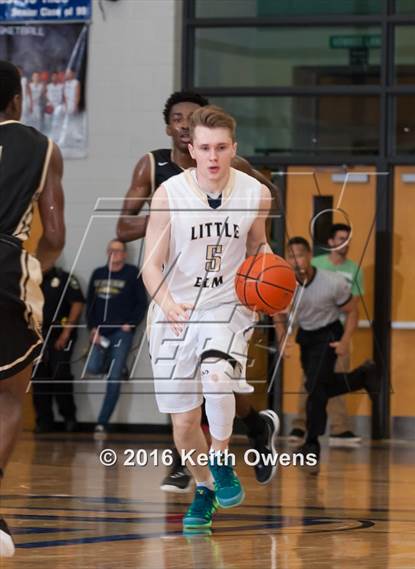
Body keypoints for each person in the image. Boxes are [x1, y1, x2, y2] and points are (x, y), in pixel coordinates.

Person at [117, 91, 280, 492]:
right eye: (205, 147)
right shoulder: (168, 194)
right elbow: (150, 266)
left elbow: (258, 243)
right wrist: (168, 304)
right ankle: (205, 488)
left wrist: (267, 271)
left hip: (227, 304)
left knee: (216, 374)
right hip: (176, 308)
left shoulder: (255, 194)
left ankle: (222, 457)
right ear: (190, 148)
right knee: (185, 423)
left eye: (221, 147)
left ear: (234, 148)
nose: (213, 156)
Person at [0, 60, 65, 557]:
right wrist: (33, 270)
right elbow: (56, 236)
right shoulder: (42, 148)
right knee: (8, 396)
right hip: (6, 267)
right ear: (18, 99)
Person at [274, 237, 379, 471]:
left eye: (300, 255)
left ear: (310, 255)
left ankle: (311, 444)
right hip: (308, 337)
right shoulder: (284, 285)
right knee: (318, 387)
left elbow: (352, 311)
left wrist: (344, 341)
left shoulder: (333, 282)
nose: (296, 260)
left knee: (315, 390)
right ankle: (363, 376)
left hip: (329, 335)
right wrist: (283, 339)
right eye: (291, 256)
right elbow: (277, 314)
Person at [289, 223, 365, 446]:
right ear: (330, 241)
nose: (345, 243)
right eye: (341, 238)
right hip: (308, 332)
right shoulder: (314, 265)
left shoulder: (354, 271)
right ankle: (300, 427)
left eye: (348, 239)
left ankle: (336, 430)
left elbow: (353, 308)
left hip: (333, 331)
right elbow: (290, 307)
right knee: (312, 384)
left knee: (321, 383)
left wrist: (344, 340)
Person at [85, 239, 148, 435]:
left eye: (118, 251)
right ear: (107, 252)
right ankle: (119, 366)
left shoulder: (132, 274)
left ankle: (102, 423)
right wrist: (92, 329)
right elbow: (90, 304)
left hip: (122, 333)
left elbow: (141, 303)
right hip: (100, 333)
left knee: (113, 379)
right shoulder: (98, 274)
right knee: (93, 367)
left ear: (125, 254)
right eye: (111, 249)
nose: (114, 253)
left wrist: (131, 324)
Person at [32, 266, 84, 433]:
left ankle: (69, 418)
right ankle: (44, 421)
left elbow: (77, 304)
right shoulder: (30, 278)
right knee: (39, 379)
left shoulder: (65, 278)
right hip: (37, 336)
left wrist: (65, 333)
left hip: (59, 335)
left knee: (60, 375)